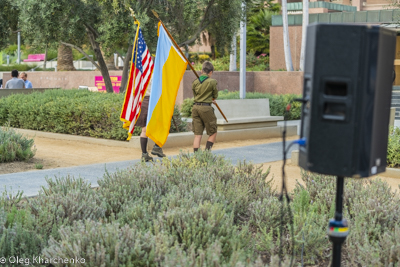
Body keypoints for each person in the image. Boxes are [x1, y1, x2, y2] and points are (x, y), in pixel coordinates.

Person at [136, 78, 166, 162]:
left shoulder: (140, 74)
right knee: (161, 125)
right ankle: (157, 147)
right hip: (153, 101)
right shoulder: (154, 74)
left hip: (142, 101)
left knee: (144, 130)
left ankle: (144, 154)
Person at [191, 61, 218, 152]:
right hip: (206, 109)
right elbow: (215, 95)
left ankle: (197, 158)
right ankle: (206, 155)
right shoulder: (212, 81)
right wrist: (211, 98)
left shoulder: (195, 82)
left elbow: (195, 95)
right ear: (210, 72)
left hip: (195, 108)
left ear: (201, 71)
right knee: (213, 132)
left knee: (198, 135)